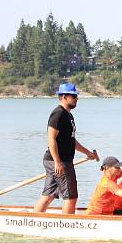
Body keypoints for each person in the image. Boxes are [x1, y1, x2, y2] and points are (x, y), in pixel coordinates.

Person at [33, 82, 99, 214]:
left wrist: (87, 153)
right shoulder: (58, 114)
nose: (76, 99)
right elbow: (51, 138)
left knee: (49, 194)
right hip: (59, 161)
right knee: (71, 196)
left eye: (76, 96)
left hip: (57, 161)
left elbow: (71, 141)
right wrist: (58, 162)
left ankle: (35, 219)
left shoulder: (68, 116)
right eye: (73, 96)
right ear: (63, 97)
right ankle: (67, 225)